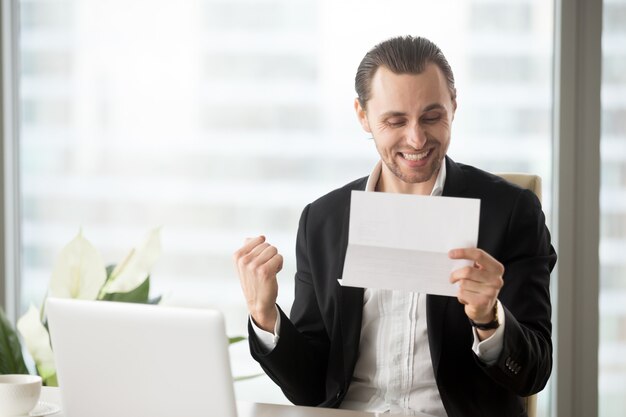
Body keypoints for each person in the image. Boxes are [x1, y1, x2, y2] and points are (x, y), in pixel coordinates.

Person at [233, 35, 556, 417]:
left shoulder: (510, 212)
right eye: (395, 120)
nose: (416, 138)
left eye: (432, 116)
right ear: (362, 116)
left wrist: (489, 318)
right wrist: (265, 314)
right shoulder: (323, 220)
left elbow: (533, 373)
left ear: (454, 105)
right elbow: (310, 388)